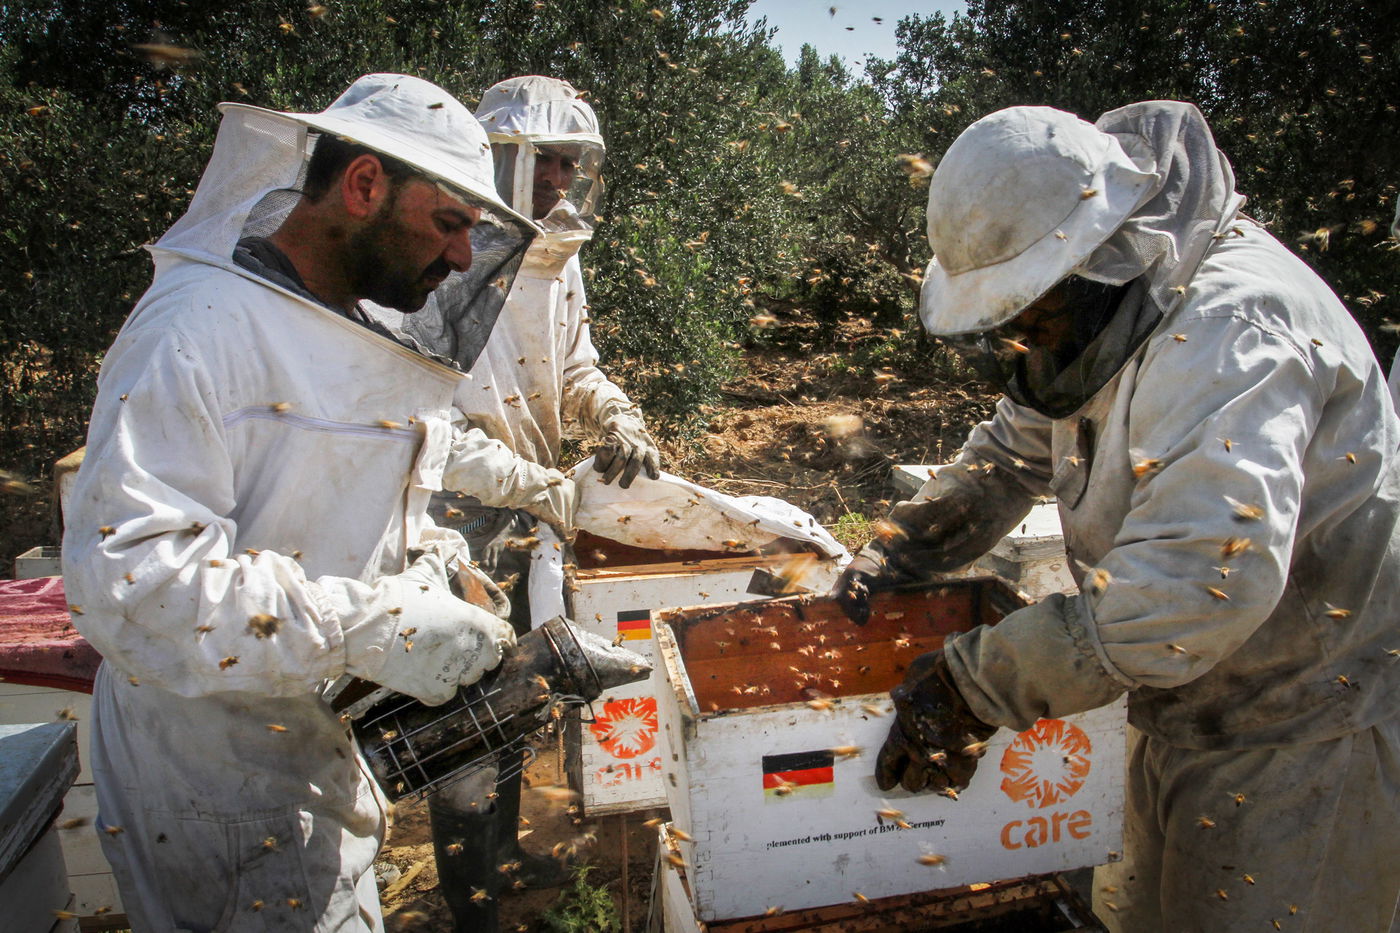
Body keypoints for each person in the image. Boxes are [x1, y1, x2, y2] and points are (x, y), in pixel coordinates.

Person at [835, 101, 1400, 932]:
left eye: (1033, 312)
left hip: (1304, 739)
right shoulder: (1101, 320)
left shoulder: (1230, 331)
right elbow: (1011, 451)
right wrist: (902, 547)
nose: (1023, 340)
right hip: (1176, 705)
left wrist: (977, 682)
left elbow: (1196, 583)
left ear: (1099, 261)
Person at [61, 74, 540, 931]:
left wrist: (432, 563)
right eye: (451, 222)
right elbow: (132, 580)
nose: (467, 257)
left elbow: (323, 498)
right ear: (364, 187)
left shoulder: (332, 322)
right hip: (220, 779)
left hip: (301, 751)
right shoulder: (200, 328)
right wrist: (368, 625)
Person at [421, 74, 661, 932]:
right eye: (546, 161)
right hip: (450, 522)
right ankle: (471, 903)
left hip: (525, 512)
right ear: (500, 159)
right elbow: (429, 426)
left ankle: (507, 853)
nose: (560, 179)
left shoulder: (559, 254)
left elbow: (575, 366)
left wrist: (615, 414)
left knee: (518, 694)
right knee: (462, 715)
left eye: (570, 163)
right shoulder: (445, 253)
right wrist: (539, 484)